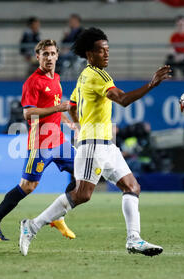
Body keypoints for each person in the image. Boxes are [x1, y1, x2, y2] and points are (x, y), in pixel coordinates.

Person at [19, 28, 171, 256]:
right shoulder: (97, 76)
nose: (106, 55)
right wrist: (151, 84)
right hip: (93, 146)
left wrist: (78, 126)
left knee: (132, 187)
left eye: (108, 50)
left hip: (106, 145)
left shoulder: (84, 76)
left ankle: (134, 240)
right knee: (82, 195)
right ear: (90, 54)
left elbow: (71, 106)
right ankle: (32, 226)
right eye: (101, 51)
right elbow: (122, 99)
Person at [0, 39, 78, 241]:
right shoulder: (32, 82)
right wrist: (59, 108)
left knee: (83, 171)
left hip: (59, 141)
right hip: (40, 143)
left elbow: (54, 106)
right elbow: (28, 114)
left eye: (52, 53)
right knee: (27, 187)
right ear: (38, 57)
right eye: (45, 54)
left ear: (57, 55)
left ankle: (57, 215)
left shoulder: (56, 78)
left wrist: (69, 123)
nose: (49, 57)